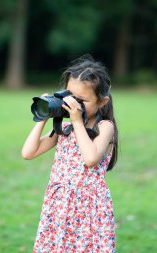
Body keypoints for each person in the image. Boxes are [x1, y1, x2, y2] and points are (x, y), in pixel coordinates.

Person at [22, 54, 118, 252]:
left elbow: (90, 158)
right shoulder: (64, 128)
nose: (73, 105)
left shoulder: (105, 127)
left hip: (88, 209)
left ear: (102, 102)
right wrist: (44, 116)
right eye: (70, 97)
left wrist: (76, 121)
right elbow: (28, 152)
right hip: (59, 205)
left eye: (81, 100)